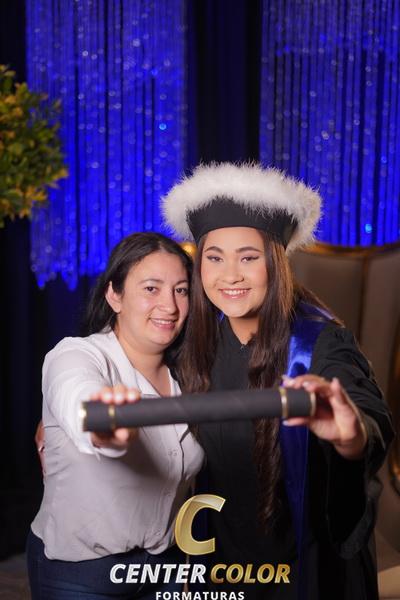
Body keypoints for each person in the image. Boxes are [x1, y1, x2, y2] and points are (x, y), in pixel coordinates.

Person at [162, 162, 394, 600]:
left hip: (304, 565)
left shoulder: (318, 343)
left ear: (275, 262)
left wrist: (351, 435)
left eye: (248, 257)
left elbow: (368, 413)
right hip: (222, 558)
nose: (230, 275)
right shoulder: (194, 342)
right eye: (215, 258)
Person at [27, 232, 204, 600]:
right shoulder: (76, 355)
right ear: (114, 295)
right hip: (82, 574)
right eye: (151, 288)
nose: (170, 306)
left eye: (181, 290)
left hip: (167, 567)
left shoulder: (193, 377)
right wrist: (101, 425)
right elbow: (77, 395)